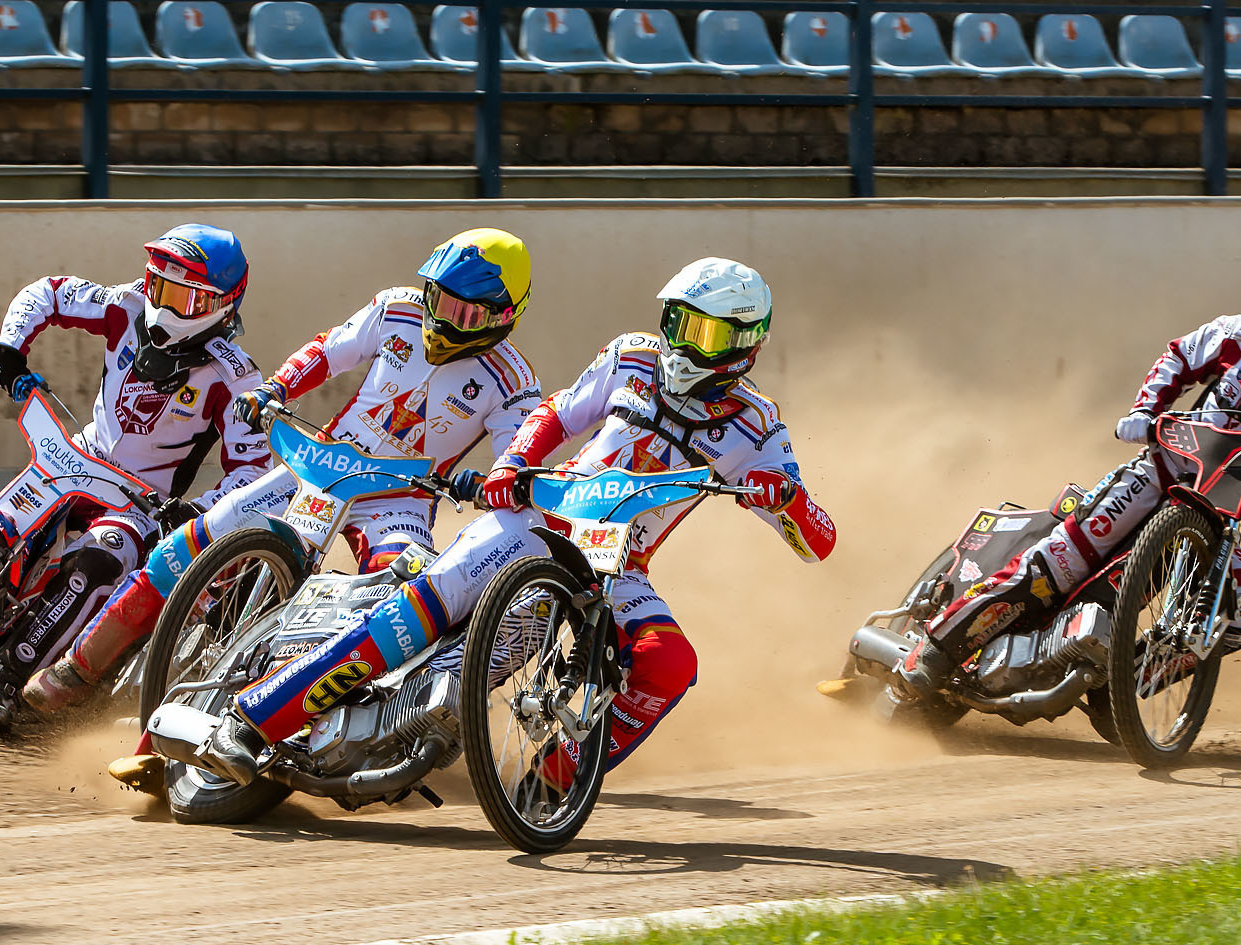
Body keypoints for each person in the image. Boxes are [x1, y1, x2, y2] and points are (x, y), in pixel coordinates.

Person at [206, 257, 835, 787]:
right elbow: (558, 414)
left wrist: (787, 500)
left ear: (746, 342)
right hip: (540, 521)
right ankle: (252, 718)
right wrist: (516, 463)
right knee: (420, 612)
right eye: (678, 322)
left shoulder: (759, 426)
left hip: (618, 568)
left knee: (669, 662)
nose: (683, 343)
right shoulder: (632, 357)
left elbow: (819, 542)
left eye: (706, 333)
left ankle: (548, 783)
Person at [88, 229, 545, 790]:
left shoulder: (515, 382)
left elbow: (516, 456)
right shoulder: (394, 308)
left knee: (390, 616)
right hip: (319, 466)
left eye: (466, 314)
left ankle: (346, 734)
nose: (443, 321)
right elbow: (329, 350)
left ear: (505, 316)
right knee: (187, 546)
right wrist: (275, 388)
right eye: (438, 300)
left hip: (397, 502)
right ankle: (78, 672)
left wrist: (496, 480)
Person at [903, 255, 1241, 696]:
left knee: (1240, 615)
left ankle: (1122, 689)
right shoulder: (1235, 337)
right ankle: (933, 652)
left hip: (1219, 520)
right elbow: (1178, 356)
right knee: (1062, 560)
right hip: (1160, 473)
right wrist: (1145, 411)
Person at [0, 223, 273, 735]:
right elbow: (48, 292)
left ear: (222, 304)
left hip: (138, 505)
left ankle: (5, 675)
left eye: (182, 298)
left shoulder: (236, 377)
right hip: (78, 458)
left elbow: (252, 473)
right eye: (159, 287)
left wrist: (197, 509)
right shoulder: (125, 305)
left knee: (97, 561)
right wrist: (10, 345)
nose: (163, 308)